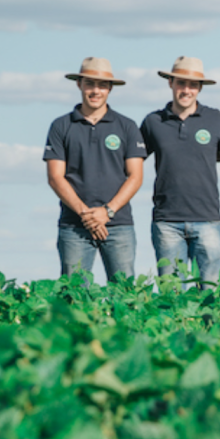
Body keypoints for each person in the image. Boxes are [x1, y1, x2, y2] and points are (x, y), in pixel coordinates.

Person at [44, 57, 146, 280]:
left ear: (110, 88)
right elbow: (55, 177)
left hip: (118, 224)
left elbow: (136, 176)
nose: (95, 90)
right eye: (89, 83)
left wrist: (106, 212)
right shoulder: (61, 126)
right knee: (74, 294)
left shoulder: (127, 126)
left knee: (125, 294)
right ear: (79, 84)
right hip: (74, 225)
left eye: (101, 85)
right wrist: (86, 215)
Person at [140, 56, 220, 288]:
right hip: (167, 222)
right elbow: (131, 162)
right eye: (181, 83)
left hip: (208, 219)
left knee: (210, 294)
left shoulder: (216, 119)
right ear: (170, 83)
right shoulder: (153, 122)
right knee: (172, 294)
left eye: (193, 85)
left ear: (200, 88)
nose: (186, 90)